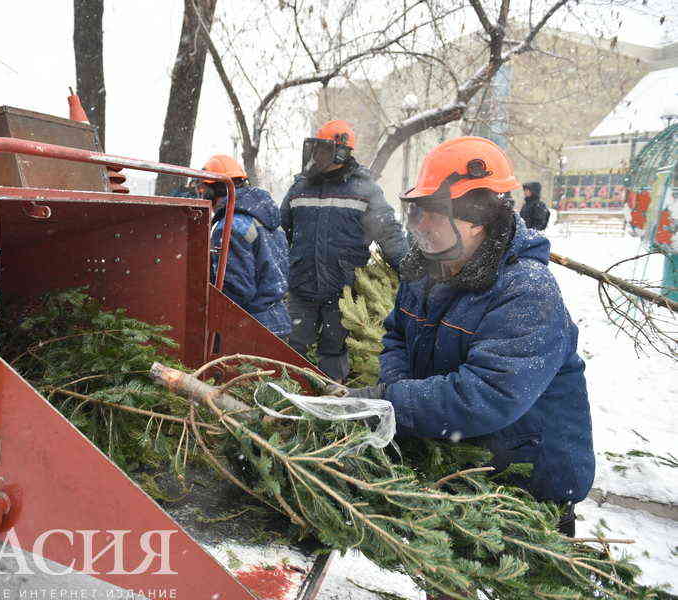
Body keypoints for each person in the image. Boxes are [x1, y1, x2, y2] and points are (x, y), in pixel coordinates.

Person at [342, 137, 594, 538]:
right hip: (456, 471)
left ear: (478, 219)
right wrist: (401, 387)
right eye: (417, 212)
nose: (420, 226)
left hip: (527, 487)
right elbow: (397, 337)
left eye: (433, 215)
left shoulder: (527, 290)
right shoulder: (425, 273)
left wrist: (390, 402)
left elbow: (487, 394)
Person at [280, 120, 406, 382]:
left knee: (333, 353)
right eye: (315, 148)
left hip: (342, 291)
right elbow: (282, 232)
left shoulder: (364, 189)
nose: (317, 155)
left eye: (323, 149)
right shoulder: (300, 187)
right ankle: (284, 401)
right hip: (301, 287)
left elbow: (389, 233)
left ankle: (330, 406)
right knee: (289, 350)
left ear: (341, 152)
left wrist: (409, 269)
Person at [200, 154, 292, 338]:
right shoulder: (264, 217)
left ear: (212, 191)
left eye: (203, 190)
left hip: (250, 327)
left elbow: (236, 291)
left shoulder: (229, 228)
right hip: (277, 321)